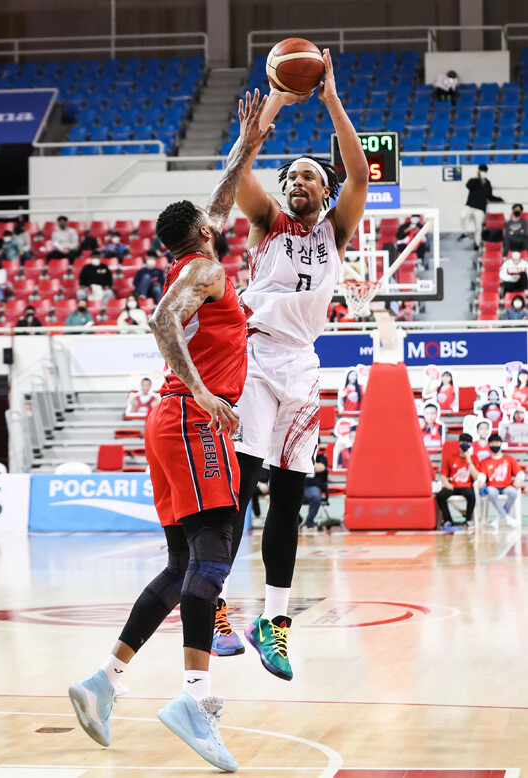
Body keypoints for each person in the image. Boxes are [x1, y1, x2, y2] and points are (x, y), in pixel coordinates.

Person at [67, 90, 272, 773]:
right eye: (215, 221)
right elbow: (160, 323)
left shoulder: (194, 260)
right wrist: (206, 392)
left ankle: (104, 680)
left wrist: (249, 143)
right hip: (190, 416)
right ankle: (193, 697)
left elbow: (219, 199)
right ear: (205, 234)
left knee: (182, 565)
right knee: (213, 556)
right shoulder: (207, 270)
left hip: (169, 421)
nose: (222, 219)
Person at [219, 48, 369, 678]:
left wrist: (330, 98)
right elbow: (237, 172)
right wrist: (277, 99)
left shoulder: (336, 230)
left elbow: (359, 174)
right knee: (239, 487)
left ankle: (274, 623)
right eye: (293, 177)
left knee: (288, 496)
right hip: (254, 358)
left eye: (310, 175)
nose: (299, 182)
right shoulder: (266, 221)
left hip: (303, 368)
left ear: (325, 190)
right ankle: (214, 600)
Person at [476, 433, 525, 529]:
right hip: (492, 486)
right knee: (491, 492)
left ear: (501, 444)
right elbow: (482, 475)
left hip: (507, 485)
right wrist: (481, 482)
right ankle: (506, 517)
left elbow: (519, 473)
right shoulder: (485, 461)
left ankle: (499, 518)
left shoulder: (509, 459)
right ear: (489, 444)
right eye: (492, 443)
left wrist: (519, 480)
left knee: (513, 492)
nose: (495, 445)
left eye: (497, 443)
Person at [436, 433, 479, 528]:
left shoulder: (474, 458)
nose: (465, 444)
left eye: (468, 442)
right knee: (440, 495)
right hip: (453, 486)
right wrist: (446, 483)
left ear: (471, 444)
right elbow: (443, 475)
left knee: (472, 495)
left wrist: (469, 460)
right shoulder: (451, 458)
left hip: (466, 486)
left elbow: (476, 477)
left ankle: (468, 519)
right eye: (463, 442)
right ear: (459, 443)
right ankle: (448, 520)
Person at [458, 165, 504, 250]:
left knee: (478, 227)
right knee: (462, 216)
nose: (482, 172)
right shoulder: (473, 181)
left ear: (486, 172)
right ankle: (464, 233)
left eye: (484, 171)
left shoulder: (488, 183)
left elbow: (490, 196)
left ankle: (477, 244)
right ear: (478, 171)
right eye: (481, 171)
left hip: (480, 208)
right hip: (470, 205)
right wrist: (477, 178)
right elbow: (468, 186)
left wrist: (500, 199)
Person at [301, 451, 328, 530]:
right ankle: (298, 520)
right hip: (299, 485)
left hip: (312, 486)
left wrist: (308, 459)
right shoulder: (300, 456)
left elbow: (320, 468)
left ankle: (309, 522)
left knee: (315, 496)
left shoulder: (321, 458)